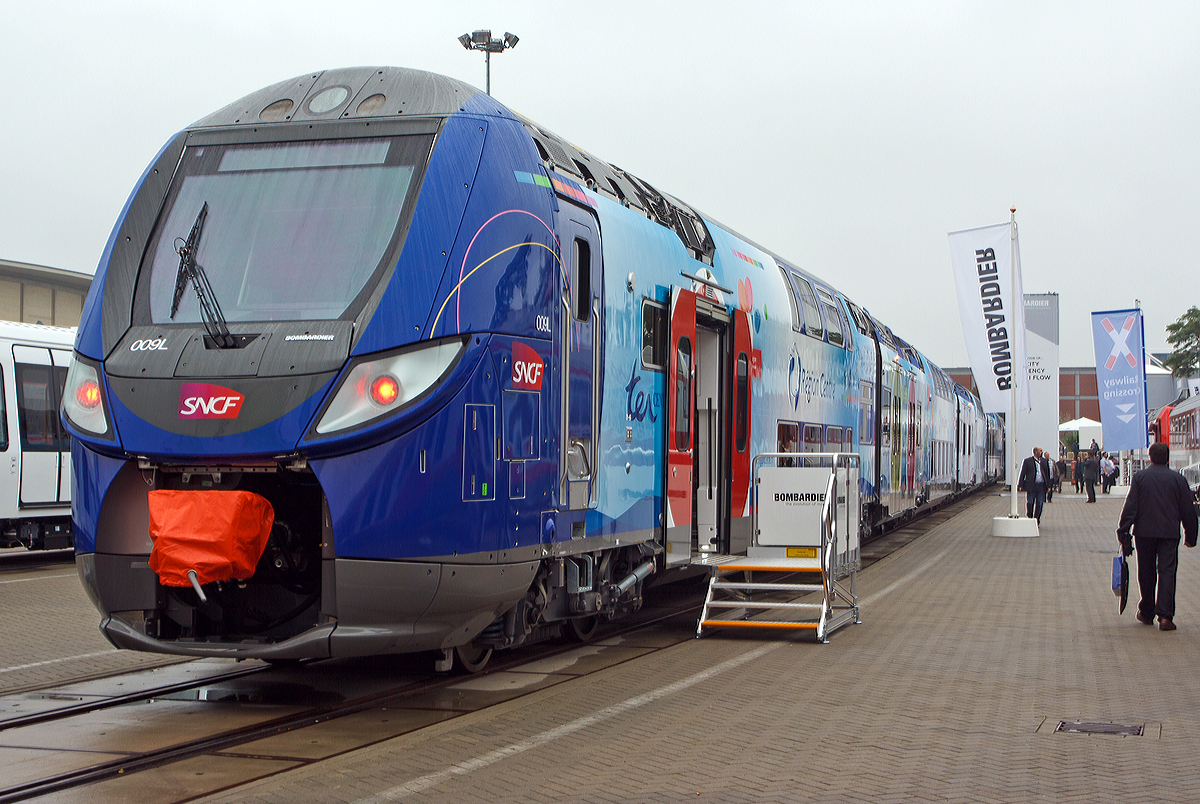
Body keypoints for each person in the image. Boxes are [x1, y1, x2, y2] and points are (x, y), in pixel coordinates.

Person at [1116, 442, 1199, 631]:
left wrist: (1123, 531)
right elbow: (1188, 510)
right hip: (1169, 534)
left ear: (1150, 458)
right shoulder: (1178, 479)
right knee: (1167, 572)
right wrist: (1190, 536)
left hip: (1144, 533)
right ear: (1167, 458)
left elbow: (1131, 507)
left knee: (1146, 573)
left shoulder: (1140, 478)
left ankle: (1146, 612)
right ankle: (1165, 617)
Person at [1017, 446, 1051, 524]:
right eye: (1040, 451)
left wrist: (1049, 486)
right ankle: (1030, 516)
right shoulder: (1027, 461)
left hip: (1041, 486)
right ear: (1036, 452)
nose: (1042, 452)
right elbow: (1022, 473)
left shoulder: (1044, 462)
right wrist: (1020, 485)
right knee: (1030, 502)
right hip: (1031, 486)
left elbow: (1047, 474)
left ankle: (1036, 520)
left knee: (1040, 503)